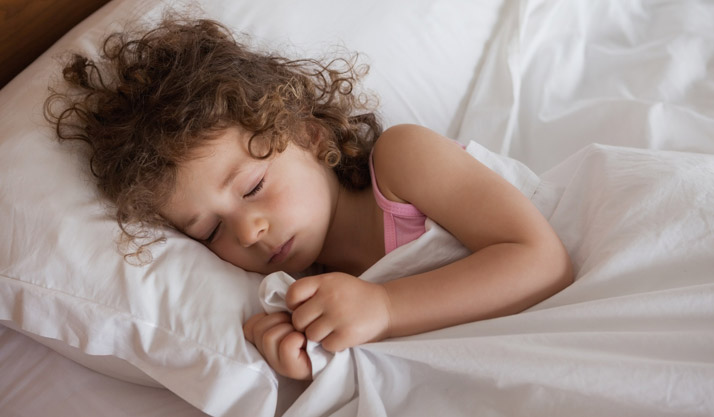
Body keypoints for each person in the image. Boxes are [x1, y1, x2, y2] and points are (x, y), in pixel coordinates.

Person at [45, 17, 573, 381]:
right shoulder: (300, 286)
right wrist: (308, 354)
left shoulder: (403, 161)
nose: (247, 231)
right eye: (209, 231)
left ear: (312, 138)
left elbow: (542, 263)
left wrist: (385, 308)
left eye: (253, 187)